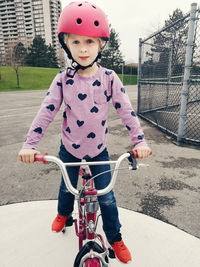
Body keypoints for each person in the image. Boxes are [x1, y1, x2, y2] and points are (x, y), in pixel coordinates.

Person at [18, 1, 151, 264]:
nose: (82, 48)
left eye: (89, 42)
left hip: (99, 150)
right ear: (66, 43)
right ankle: (63, 214)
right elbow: (46, 112)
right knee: (67, 189)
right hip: (69, 147)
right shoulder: (63, 79)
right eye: (75, 42)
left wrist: (140, 141)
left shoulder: (110, 78)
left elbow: (126, 112)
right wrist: (29, 144)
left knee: (108, 199)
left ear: (101, 44)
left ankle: (115, 237)